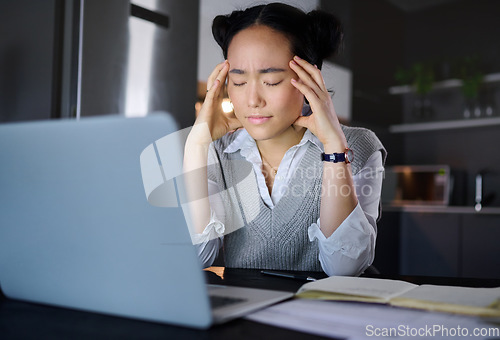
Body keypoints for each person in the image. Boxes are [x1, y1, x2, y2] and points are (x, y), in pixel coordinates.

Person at [183, 3, 386, 276]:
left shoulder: (360, 146)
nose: (252, 100)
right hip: (242, 310)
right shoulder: (220, 152)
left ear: (309, 78)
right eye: (239, 82)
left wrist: (334, 149)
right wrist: (196, 147)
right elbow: (199, 258)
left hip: (319, 313)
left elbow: (345, 268)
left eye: (272, 81)